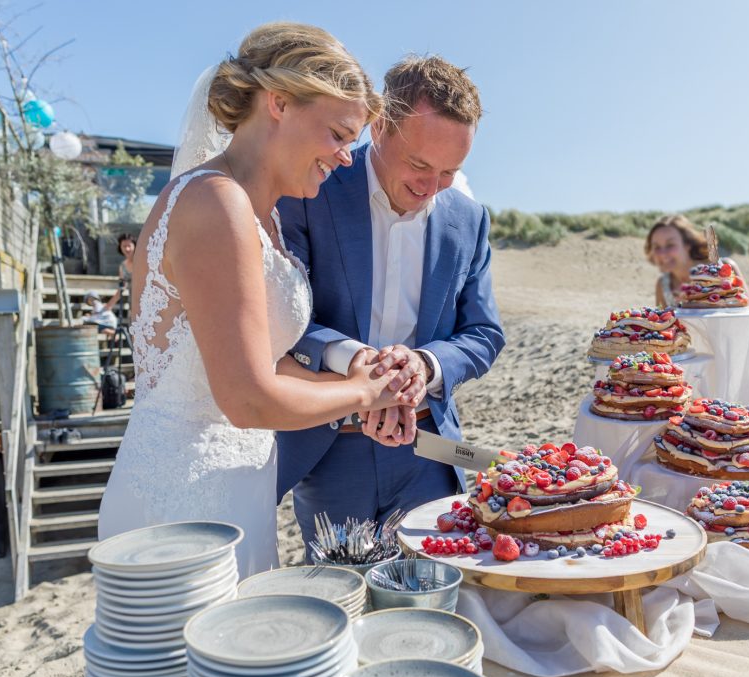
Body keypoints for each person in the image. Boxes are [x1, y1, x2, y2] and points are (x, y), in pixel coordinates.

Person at [98, 23, 423, 578]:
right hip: (182, 502)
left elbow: (263, 364)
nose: (348, 157)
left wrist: (362, 385)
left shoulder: (261, 215)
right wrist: (362, 392)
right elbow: (247, 399)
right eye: (339, 134)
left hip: (235, 490)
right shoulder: (213, 203)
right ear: (278, 103)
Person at [276, 55, 506, 550]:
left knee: (434, 604)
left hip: (431, 453)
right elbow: (281, 314)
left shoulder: (469, 219)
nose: (431, 188)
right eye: (419, 164)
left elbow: (485, 333)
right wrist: (358, 364)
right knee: (345, 598)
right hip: (331, 449)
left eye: (449, 172)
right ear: (378, 126)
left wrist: (424, 365)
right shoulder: (308, 189)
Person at [646, 214, 746, 307]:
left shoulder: (724, 268)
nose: (663, 254)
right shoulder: (663, 285)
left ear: (687, 245)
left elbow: (746, 309)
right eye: (656, 247)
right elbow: (661, 323)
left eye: (670, 245)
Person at [104, 233, 137, 319]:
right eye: (124, 246)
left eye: (129, 245)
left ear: (135, 245)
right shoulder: (122, 266)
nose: (127, 249)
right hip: (133, 303)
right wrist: (108, 306)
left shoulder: (142, 261)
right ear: (120, 247)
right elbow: (121, 289)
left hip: (147, 300)